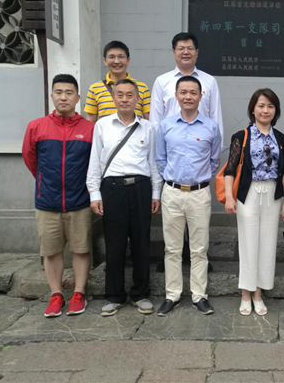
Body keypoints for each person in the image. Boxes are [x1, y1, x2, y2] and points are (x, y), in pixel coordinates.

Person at [87, 79, 162, 317]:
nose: (125, 99)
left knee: (141, 243)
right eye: (120, 95)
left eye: (130, 95)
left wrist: (156, 192)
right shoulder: (102, 125)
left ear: (137, 99)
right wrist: (95, 194)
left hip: (140, 188)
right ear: (113, 98)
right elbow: (95, 161)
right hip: (112, 189)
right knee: (114, 244)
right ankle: (114, 296)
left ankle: (141, 294)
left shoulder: (148, 128)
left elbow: (153, 162)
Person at [150, 32, 224, 272]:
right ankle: (174, 258)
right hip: (171, 158)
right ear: (174, 52)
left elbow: (216, 120)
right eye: (181, 48)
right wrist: (164, 169)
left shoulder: (209, 82)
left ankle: (197, 259)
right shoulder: (162, 81)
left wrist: (207, 168)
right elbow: (155, 122)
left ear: (197, 52)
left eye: (190, 48)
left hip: (198, 158)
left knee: (198, 222)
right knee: (173, 221)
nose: (185, 52)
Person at [22, 74, 94, 317]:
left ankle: (79, 293)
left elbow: (94, 164)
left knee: (81, 249)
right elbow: (30, 158)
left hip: (80, 201)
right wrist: (45, 181)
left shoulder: (89, 129)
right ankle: (56, 295)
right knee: (51, 251)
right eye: (59, 92)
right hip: (47, 201)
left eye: (69, 92)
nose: (64, 97)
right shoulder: (36, 126)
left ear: (78, 97)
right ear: (52, 95)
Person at [155, 76, 221, 316]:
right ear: (176, 96)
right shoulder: (165, 126)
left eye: (193, 92)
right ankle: (172, 295)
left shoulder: (211, 127)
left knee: (199, 248)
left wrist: (199, 180)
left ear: (201, 96)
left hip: (199, 194)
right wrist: (173, 180)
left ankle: (199, 295)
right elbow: (160, 159)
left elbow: (214, 160)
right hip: (172, 193)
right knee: (172, 248)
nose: (188, 97)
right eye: (183, 92)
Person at [224, 89, 284, 316]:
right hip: (249, 193)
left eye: (270, 106)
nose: (265, 110)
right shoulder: (241, 136)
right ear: (253, 109)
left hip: (272, 194)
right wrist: (230, 197)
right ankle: (246, 292)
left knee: (267, 244)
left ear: (276, 111)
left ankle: (259, 293)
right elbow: (230, 169)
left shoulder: (280, 138)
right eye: (261, 106)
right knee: (248, 243)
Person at [84, 41, 151, 122]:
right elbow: (90, 122)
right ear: (105, 61)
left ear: (128, 60)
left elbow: (149, 120)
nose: (116, 61)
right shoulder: (94, 89)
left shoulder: (142, 88)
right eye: (111, 57)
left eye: (121, 57)